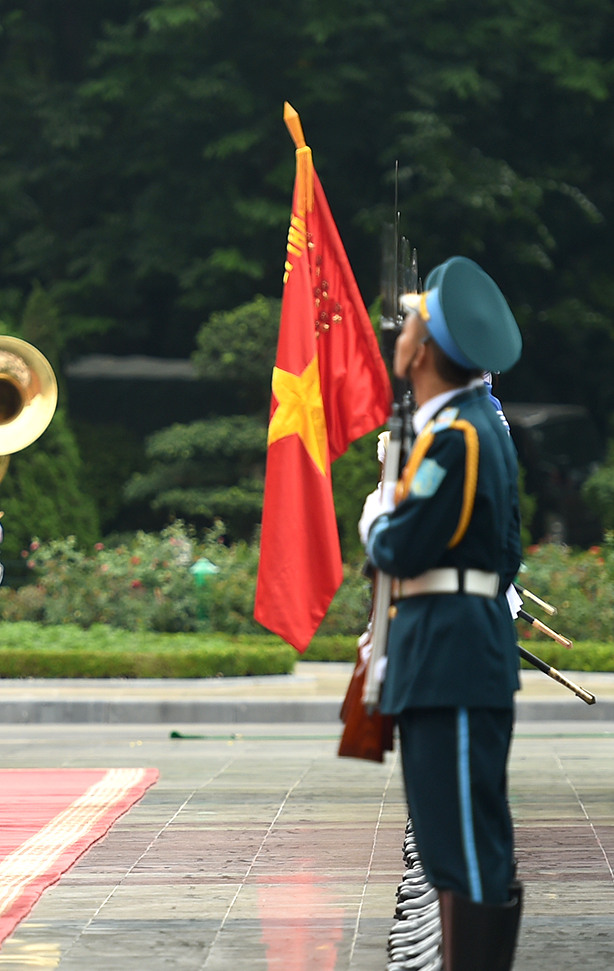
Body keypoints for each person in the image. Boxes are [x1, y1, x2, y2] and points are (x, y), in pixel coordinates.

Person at [359, 257, 525, 969]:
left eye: (411, 321)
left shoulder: (457, 438)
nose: (401, 330)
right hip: (444, 650)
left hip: (454, 654)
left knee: (467, 841)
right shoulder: (453, 428)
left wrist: (375, 519)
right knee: (451, 836)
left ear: (423, 352)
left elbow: (403, 543)